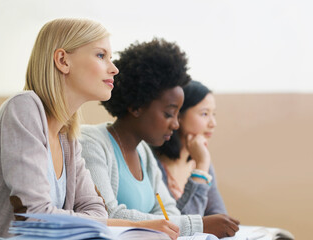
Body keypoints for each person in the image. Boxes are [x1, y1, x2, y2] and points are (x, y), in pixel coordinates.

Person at [0, 19, 178, 240]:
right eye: (101, 56)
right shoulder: (24, 107)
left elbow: (96, 210)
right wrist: (133, 225)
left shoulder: (67, 136)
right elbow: (37, 217)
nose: (114, 68)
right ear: (63, 60)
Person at [79, 39, 240, 238]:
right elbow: (109, 215)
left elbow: (168, 212)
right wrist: (196, 225)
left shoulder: (144, 152)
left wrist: (174, 224)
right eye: (169, 114)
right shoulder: (91, 142)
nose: (176, 124)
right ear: (136, 106)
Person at [153, 80, 229, 217]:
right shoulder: (153, 162)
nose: (213, 123)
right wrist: (201, 167)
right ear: (178, 115)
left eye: (214, 114)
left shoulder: (200, 160)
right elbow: (181, 224)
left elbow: (219, 216)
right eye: (204, 114)